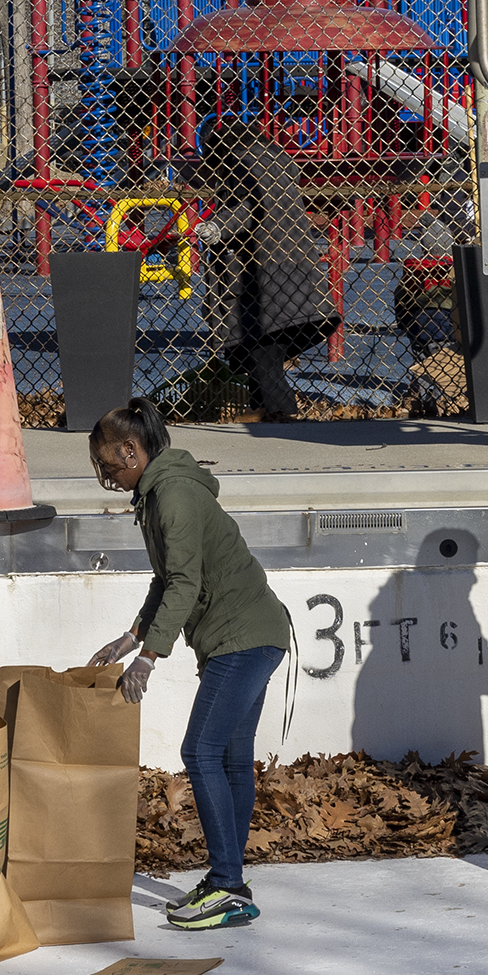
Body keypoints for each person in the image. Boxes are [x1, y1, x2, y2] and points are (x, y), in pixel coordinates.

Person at [86, 399, 295, 930]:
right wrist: (131, 637)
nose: (104, 473)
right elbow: (168, 580)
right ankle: (230, 879)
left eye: (108, 462)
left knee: (199, 750)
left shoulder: (172, 495)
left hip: (242, 637)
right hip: (252, 633)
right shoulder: (160, 491)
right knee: (228, 755)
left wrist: (150, 659)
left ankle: (227, 885)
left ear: (132, 450)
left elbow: (186, 584)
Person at [192, 120, 331, 421]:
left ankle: (283, 416)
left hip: (264, 278)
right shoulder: (275, 159)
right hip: (294, 270)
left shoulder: (238, 162)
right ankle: (262, 410)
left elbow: (247, 207)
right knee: (260, 353)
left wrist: (218, 226)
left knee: (263, 354)